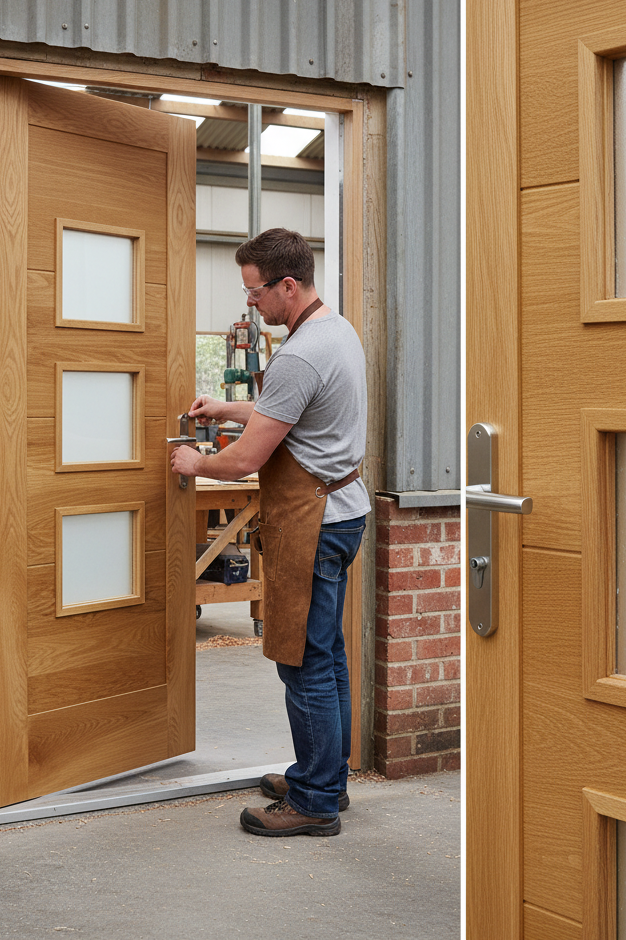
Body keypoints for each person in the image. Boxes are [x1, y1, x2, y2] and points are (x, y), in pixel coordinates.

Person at [171, 227, 369, 837]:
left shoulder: (301, 352)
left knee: (301, 660)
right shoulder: (334, 331)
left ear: (288, 284)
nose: (251, 305)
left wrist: (193, 463)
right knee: (327, 657)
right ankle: (325, 774)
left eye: (256, 293)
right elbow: (288, 411)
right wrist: (224, 408)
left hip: (312, 524)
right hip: (343, 512)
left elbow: (243, 462)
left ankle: (312, 802)